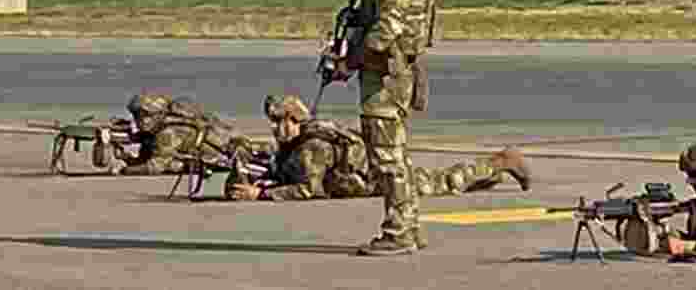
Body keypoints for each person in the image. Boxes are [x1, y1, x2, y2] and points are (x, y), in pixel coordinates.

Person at [322, 0, 435, 256]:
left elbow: (388, 27)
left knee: (386, 156)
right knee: (394, 155)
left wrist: (351, 62)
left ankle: (399, 231)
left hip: (386, 76)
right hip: (385, 72)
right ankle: (408, 226)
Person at [226, 94, 532, 204]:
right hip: (371, 176)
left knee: (444, 182)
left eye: (280, 122)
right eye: (273, 121)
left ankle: (502, 161)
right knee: (446, 182)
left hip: (379, 180)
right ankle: (491, 175)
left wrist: (262, 194)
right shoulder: (295, 143)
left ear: (295, 121)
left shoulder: (313, 147)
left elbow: (309, 189)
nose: (274, 128)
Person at [92, 93, 270, 176]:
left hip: (224, 153)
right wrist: (107, 144)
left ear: (157, 116)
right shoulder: (155, 131)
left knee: (258, 155)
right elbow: (149, 157)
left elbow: (155, 166)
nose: (139, 120)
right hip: (210, 155)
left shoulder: (168, 133)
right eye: (136, 115)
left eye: (144, 116)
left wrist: (124, 169)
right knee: (175, 164)